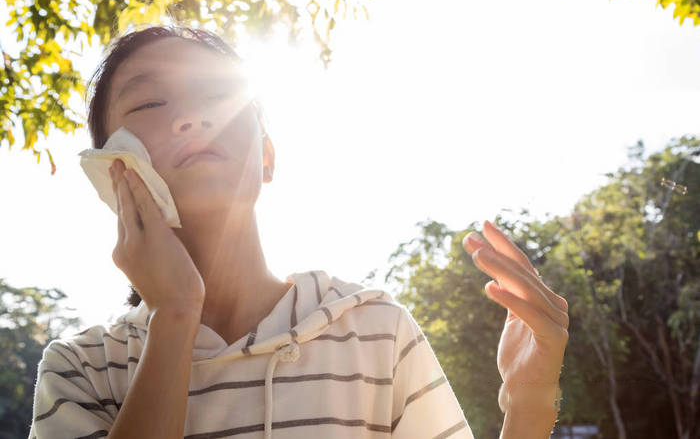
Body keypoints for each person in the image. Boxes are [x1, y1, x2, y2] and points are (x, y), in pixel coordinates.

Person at [27, 25, 569, 439]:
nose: (192, 118)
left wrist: (528, 402)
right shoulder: (81, 369)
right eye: (149, 103)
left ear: (266, 154)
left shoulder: (375, 331)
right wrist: (173, 316)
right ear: (109, 170)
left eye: (216, 95)